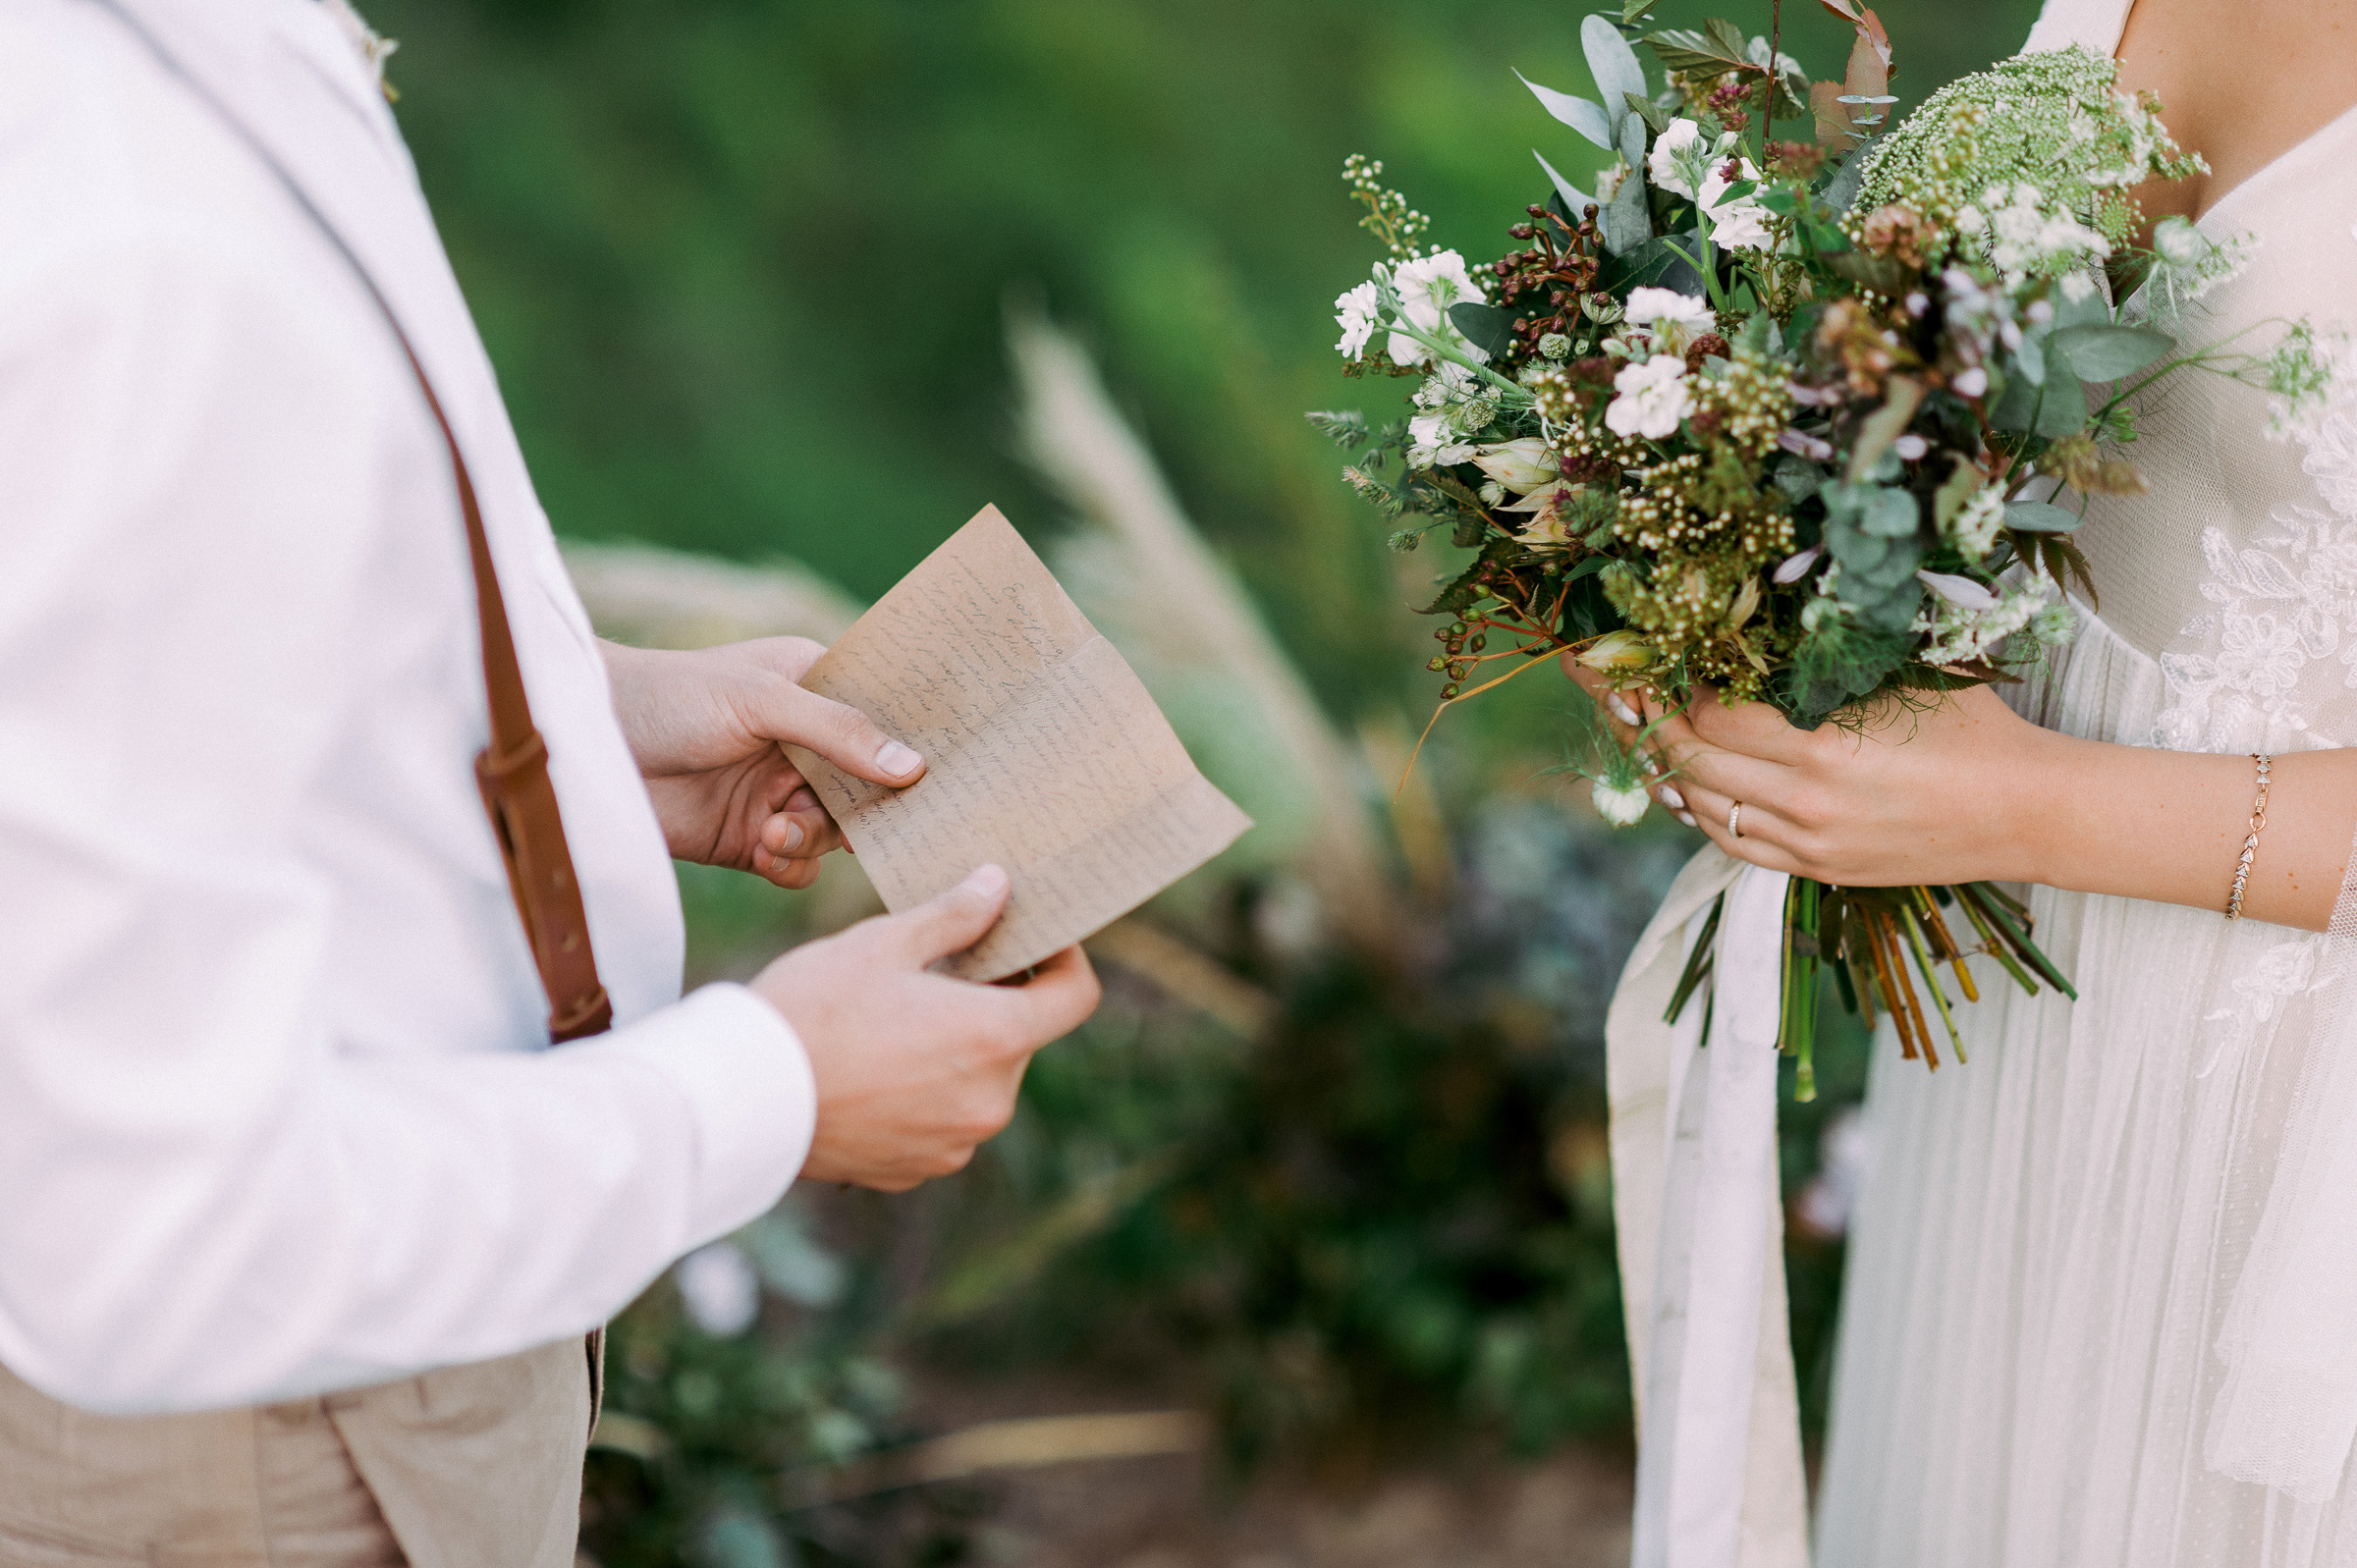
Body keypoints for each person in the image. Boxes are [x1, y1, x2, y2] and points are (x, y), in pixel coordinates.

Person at [0, 0, 1098, 1561]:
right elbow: (157, 1241)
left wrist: (575, 742)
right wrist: (775, 1090)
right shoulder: (139, 235)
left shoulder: (187, 66)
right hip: (263, 1455)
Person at [1585, 0, 2357, 1561]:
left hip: (2290, 1130)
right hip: (2031, 1044)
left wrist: (2009, 801)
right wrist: (1714, 579)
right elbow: (1904, 370)